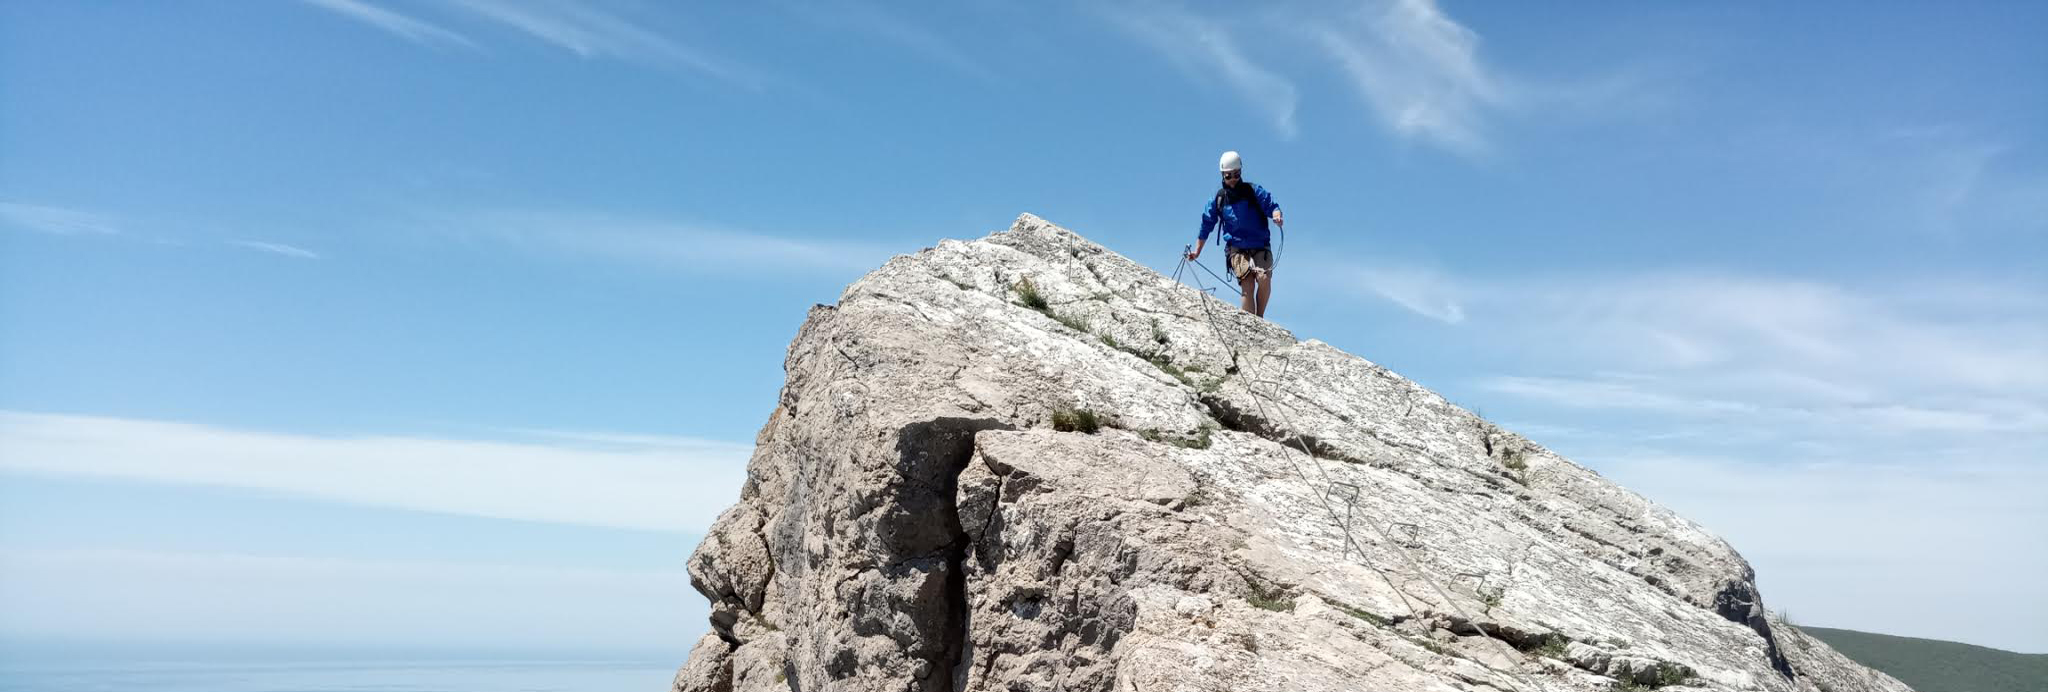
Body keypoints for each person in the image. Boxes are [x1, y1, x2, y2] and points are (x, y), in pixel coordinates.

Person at [1186, 150, 1283, 317]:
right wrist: (1197, 251)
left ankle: (1260, 320)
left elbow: (1271, 205)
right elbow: (1206, 225)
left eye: (1236, 175)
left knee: (1264, 279)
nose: (1232, 180)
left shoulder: (1253, 191)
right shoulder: (1219, 199)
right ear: (1222, 175)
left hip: (1260, 245)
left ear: (1241, 172)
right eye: (1228, 176)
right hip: (1237, 248)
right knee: (1248, 284)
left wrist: (1276, 215)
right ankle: (1251, 323)